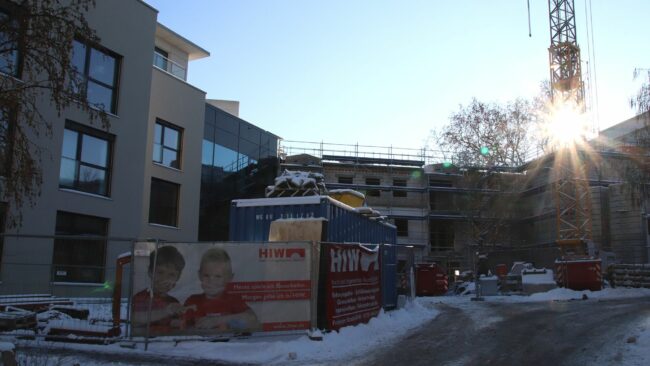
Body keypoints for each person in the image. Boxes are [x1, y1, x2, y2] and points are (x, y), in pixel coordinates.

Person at [184, 247, 260, 331]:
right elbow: (181, 325)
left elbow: (253, 320)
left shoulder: (233, 300)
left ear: (229, 278)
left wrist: (216, 321)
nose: (211, 281)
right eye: (206, 275)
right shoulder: (193, 300)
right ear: (199, 275)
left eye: (218, 276)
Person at [132, 245, 186, 334]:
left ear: (177, 278)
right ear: (150, 272)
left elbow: (177, 325)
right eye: (160, 272)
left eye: (171, 275)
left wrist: (178, 322)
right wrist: (166, 312)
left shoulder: (173, 301)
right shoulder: (141, 298)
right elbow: (137, 319)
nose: (165, 278)